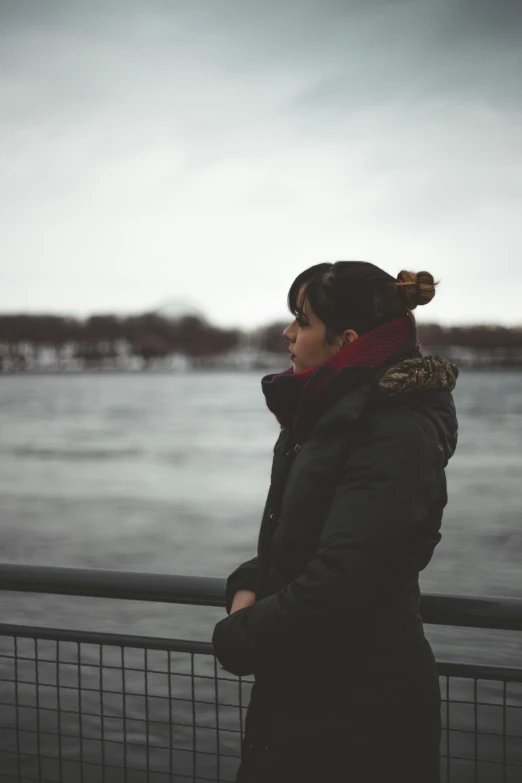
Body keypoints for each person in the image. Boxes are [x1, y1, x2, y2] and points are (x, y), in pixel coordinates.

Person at [212, 261, 459, 783]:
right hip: (314, 698)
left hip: (360, 719)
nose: (287, 333)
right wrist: (251, 580)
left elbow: (348, 574)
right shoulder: (329, 415)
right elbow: (305, 536)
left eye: (301, 321)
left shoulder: (393, 428)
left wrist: (240, 637)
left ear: (345, 340)